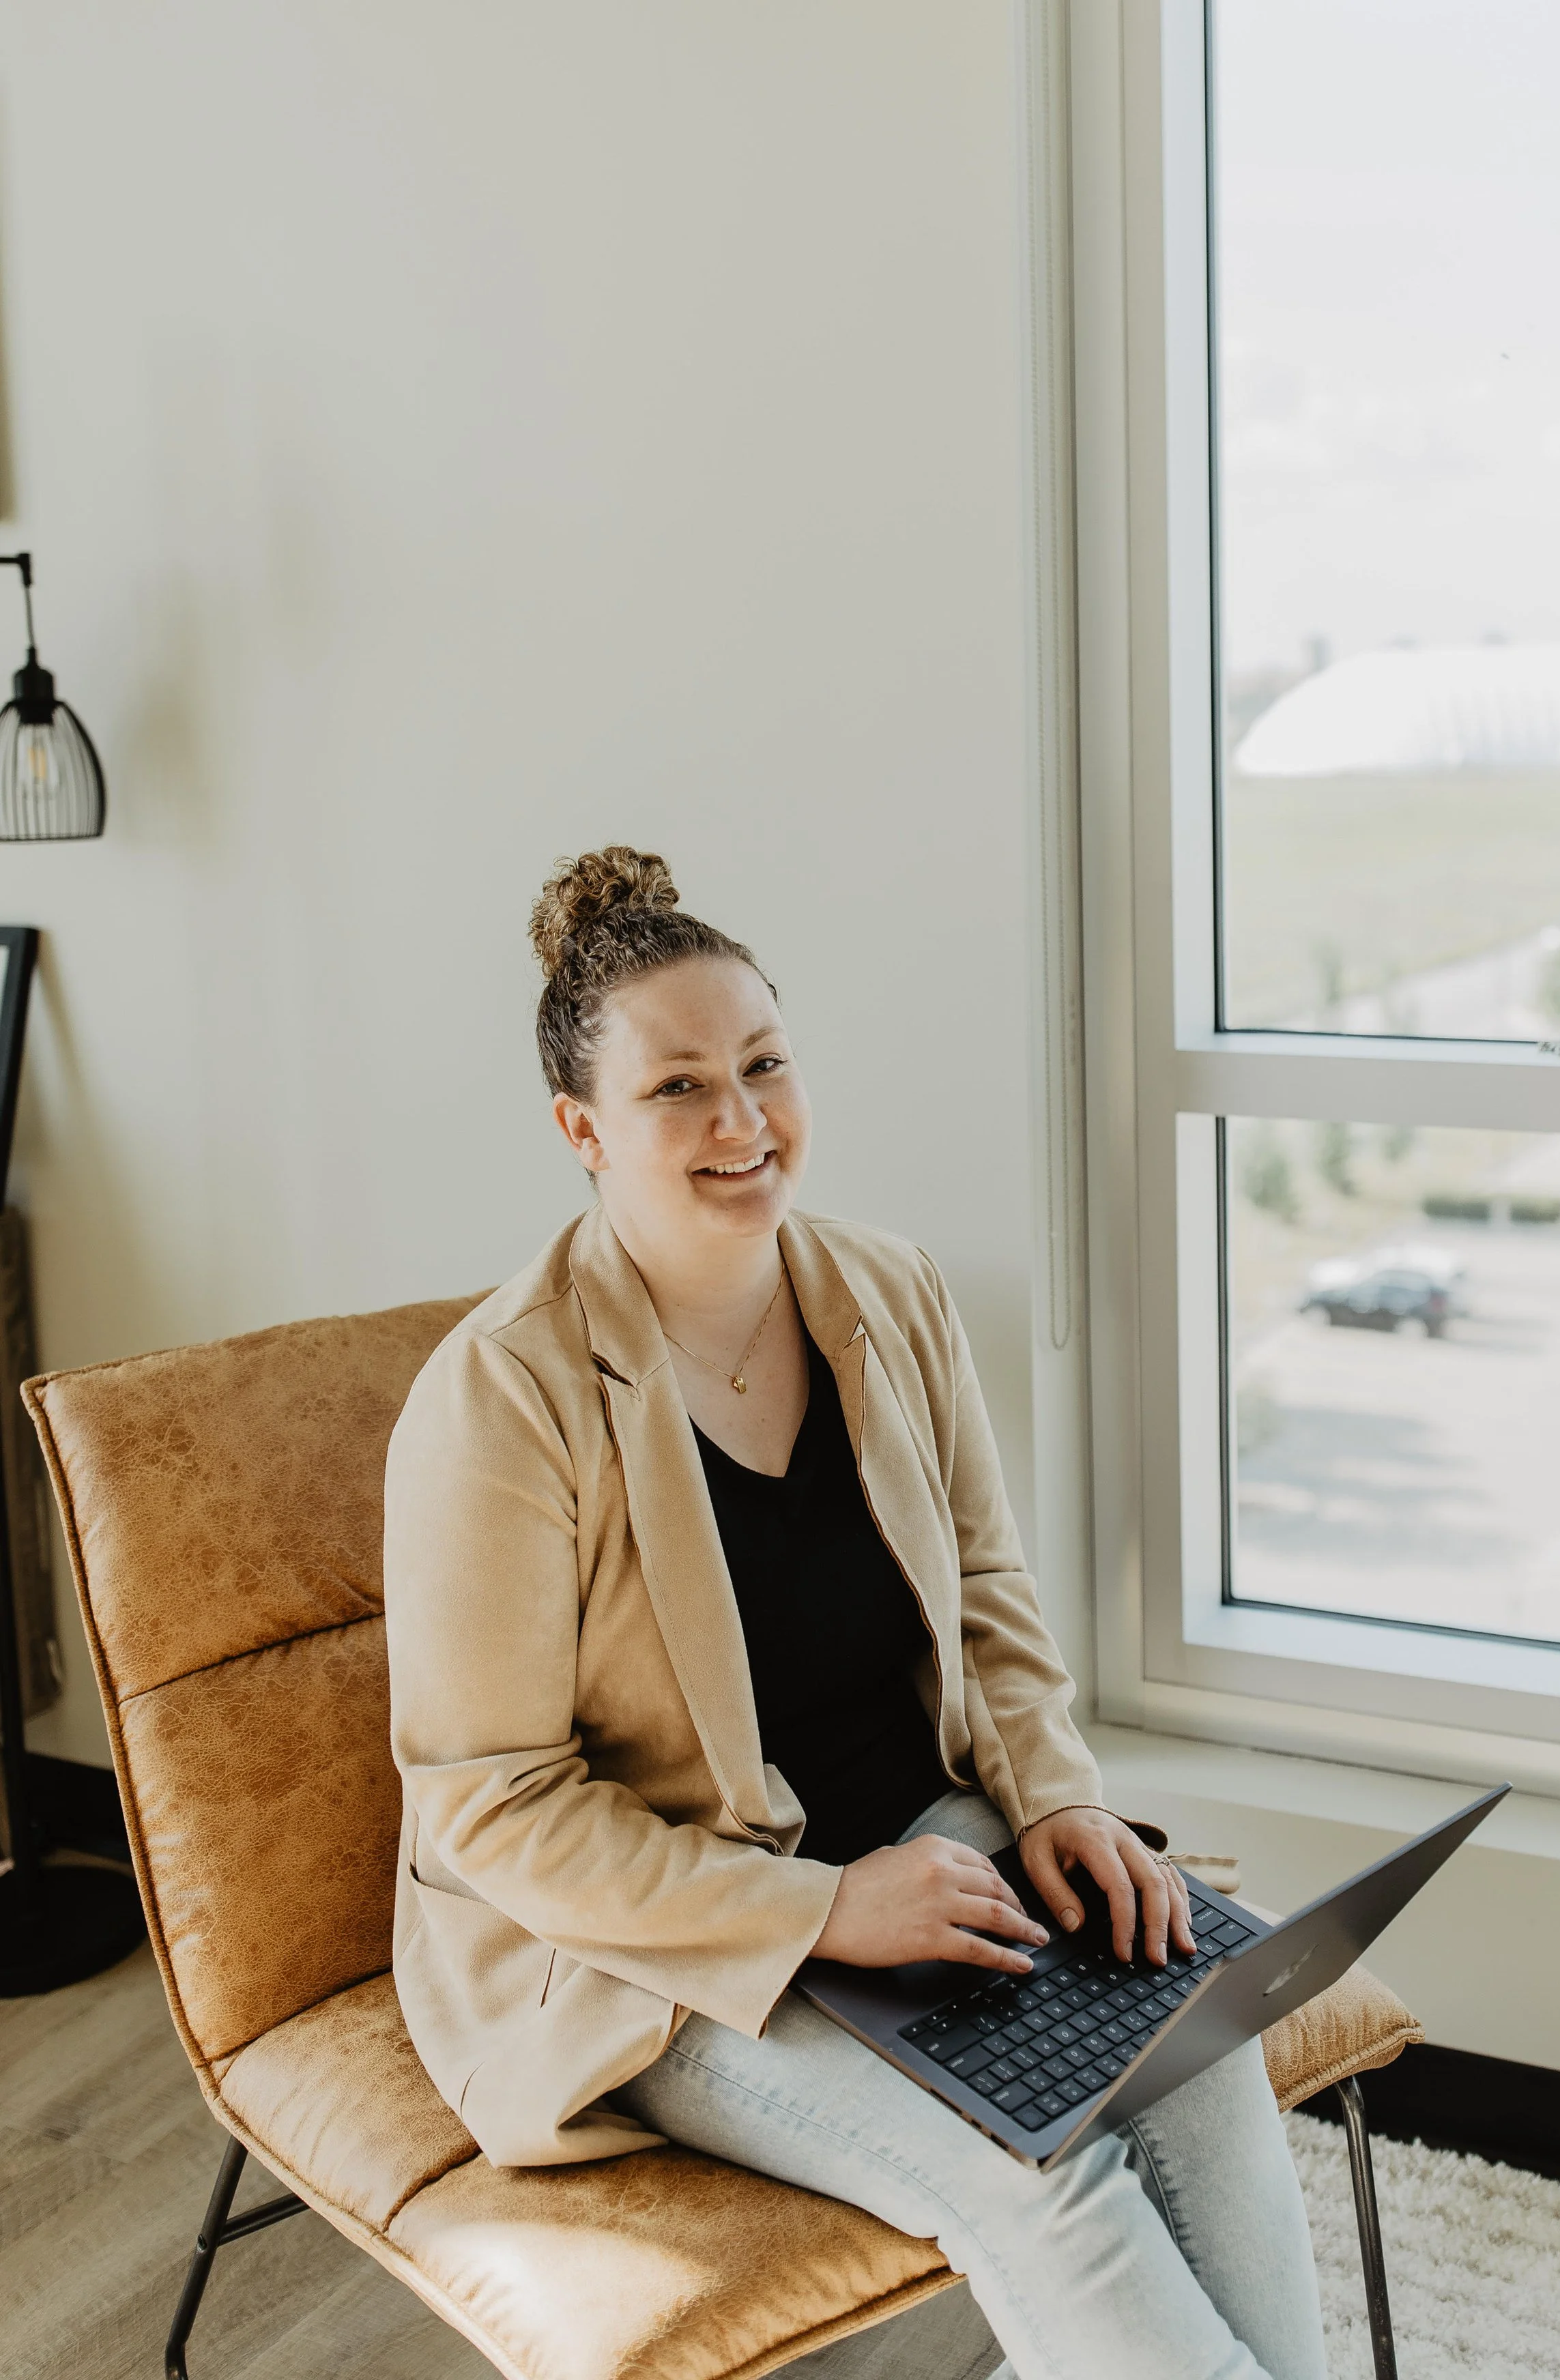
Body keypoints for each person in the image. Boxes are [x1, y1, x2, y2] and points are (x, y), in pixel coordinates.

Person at [385, 847, 1327, 2380]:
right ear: (579, 1129)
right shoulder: (502, 1396)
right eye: (677, 1086)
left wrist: (1053, 1798)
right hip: (664, 1949)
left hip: (931, 1855)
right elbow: (488, 1809)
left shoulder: (887, 1292)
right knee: (1039, 2178)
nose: (742, 1121)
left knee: (1193, 2048)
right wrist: (820, 1909)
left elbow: (993, 1594)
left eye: (760, 1063)